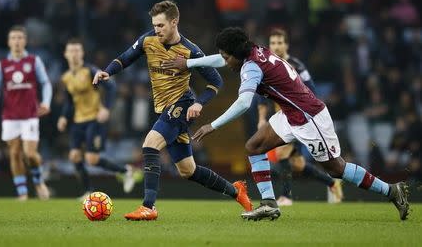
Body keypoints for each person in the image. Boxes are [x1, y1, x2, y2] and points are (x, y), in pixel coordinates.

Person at [161, 27, 409, 221]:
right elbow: (220, 59)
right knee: (254, 145)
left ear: (237, 55)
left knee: (336, 169)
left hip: (310, 118)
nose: (226, 62)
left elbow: (244, 102)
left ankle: (391, 191)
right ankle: (269, 204)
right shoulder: (253, 50)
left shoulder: (251, 68)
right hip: (291, 114)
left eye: (227, 57)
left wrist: (211, 126)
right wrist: (189, 64)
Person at [92, 0, 252, 221]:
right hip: (163, 109)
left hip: (182, 104)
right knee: (188, 170)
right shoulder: (147, 40)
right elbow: (126, 57)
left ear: (174, 22)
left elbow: (215, 80)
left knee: (150, 145)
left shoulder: (190, 51)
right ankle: (237, 191)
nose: (156, 30)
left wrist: (199, 103)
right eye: (154, 25)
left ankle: (148, 207)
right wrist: (107, 71)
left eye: (160, 25)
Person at [258, 28, 343, 206]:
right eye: (273, 43)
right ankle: (332, 183)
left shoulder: (297, 66)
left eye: (280, 42)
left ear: (286, 45)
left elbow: (312, 90)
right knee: (297, 164)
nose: (276, 46)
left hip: (300, 117)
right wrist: (261, 119)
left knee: (282, 153)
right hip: (282, 118)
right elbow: (262, 97)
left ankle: (286, 197)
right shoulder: (267, 67)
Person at [57, 39, 140, 198]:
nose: (74, 54)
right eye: (71, 51)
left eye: (77, 50)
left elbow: (111, 87)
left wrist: (106, 108)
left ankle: (126, 171)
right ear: (66, 54)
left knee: (92, 159)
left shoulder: (90, 71)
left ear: (82, 53)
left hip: (94, 119)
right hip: (77, 121)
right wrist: (63, 117)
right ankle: (88, 192)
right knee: (74, 156)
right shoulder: (66, 77)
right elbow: (69, 101)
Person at [0, 25, 52, 201]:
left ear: (25, 41)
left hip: (30, 115)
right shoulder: (2, 65)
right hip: (10, 116)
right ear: (9, 42)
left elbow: (45, 83)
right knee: (15, 153)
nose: (17, 41)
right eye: (13, 38)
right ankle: (22, 192)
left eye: (20, 38)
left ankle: (39, 181)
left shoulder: (33, 61)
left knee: (30, 154)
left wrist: (46, 102)